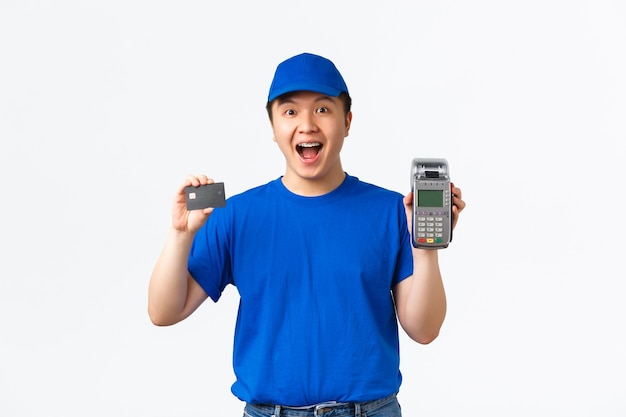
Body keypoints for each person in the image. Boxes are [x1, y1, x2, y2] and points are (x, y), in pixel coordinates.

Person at [148, 52, 466, 417]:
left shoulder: (394, 211)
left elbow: (424, 330)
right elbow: (163, 311)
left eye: (323, 110)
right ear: (272, 127)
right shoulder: (234, 214)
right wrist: (179, 235)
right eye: (290, 112)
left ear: (347, 122)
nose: (307, 125)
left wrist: (425, 248)